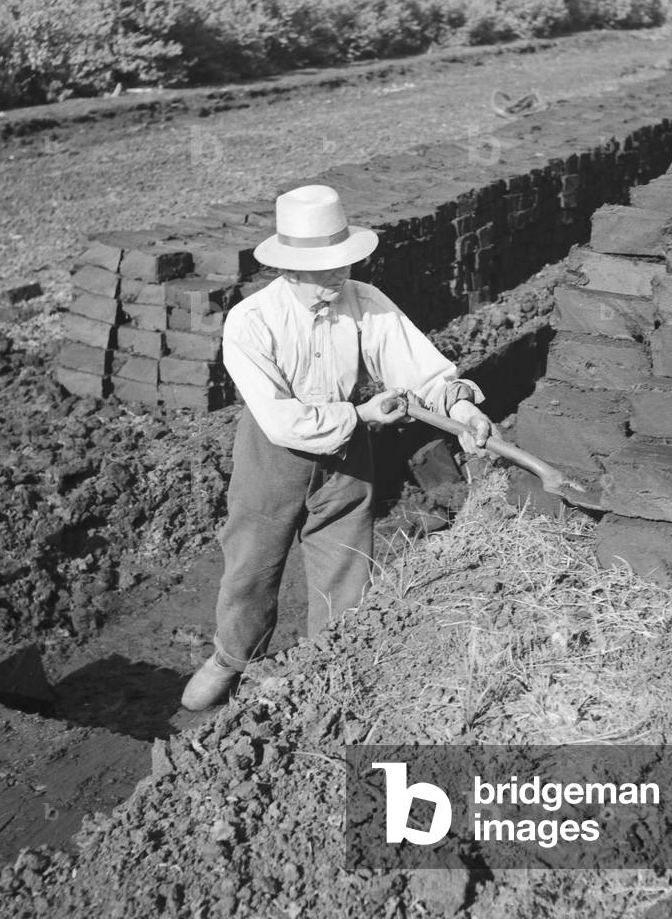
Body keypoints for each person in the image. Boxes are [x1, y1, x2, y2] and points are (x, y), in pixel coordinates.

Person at [181, 184, 497, 711]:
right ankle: (231, 659)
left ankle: (328, 665)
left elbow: (419, 367)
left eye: (342, 267)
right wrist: (361, 415)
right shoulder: (252, 321)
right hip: (272, 454)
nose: (336, 280)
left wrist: (459, 405)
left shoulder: (363, 303)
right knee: (251, 565)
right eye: (323, 271)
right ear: (288, 270)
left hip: (349, 452)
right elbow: (281, 419)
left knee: (346, 562)